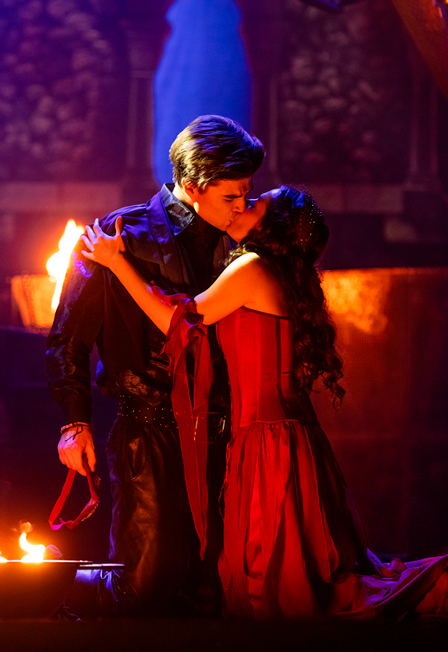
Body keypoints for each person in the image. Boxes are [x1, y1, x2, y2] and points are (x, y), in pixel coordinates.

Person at [82, 184, 448, 619]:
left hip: (268, 438)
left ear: (271, 225)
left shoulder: (252, 268)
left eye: (256, 203)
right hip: (286, 434)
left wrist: (116, 262)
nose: (244, 205)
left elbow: (174, 321)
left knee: (281, 592)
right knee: (287, 583)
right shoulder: (275, 271)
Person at [46, 114, 265, 617]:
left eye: (246, 193)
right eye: (231, 196)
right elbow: (68, 339)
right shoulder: (118, 233)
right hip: (150, 430)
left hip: (228, 433)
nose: (242, 205)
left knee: (212, 590)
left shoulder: (242, 236)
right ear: (193, 186)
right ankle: (42, 586)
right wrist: (74, 423)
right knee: (147, 583)